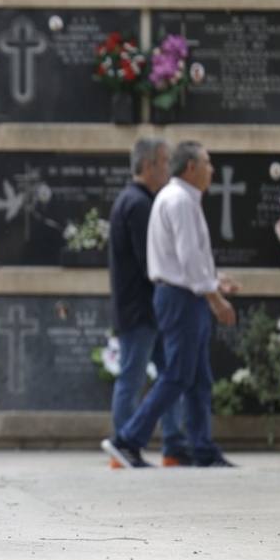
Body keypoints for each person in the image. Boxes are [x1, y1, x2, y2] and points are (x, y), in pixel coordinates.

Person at [103, 141, 240, 469]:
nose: (212, 170)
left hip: (184, 294)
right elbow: (188, 259)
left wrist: (214, 280)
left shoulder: (181, 198)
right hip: (180, 298)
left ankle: (201, 449)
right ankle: (127, 439)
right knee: (177, 375)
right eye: (207, 163)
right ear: (190, 167)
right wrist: (215, 298)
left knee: (198, 377)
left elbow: (188, 258)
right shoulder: (178, 200)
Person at [107, 138, 188, 468]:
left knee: (169, 374)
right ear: (149, 165)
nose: (169, 170)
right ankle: (123, 448)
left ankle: (172, 446)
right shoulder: (138, 204)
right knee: (132, 377)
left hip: (145, 308)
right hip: (141, 308)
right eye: (166, 162)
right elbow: (150, 262)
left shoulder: (137, 200)